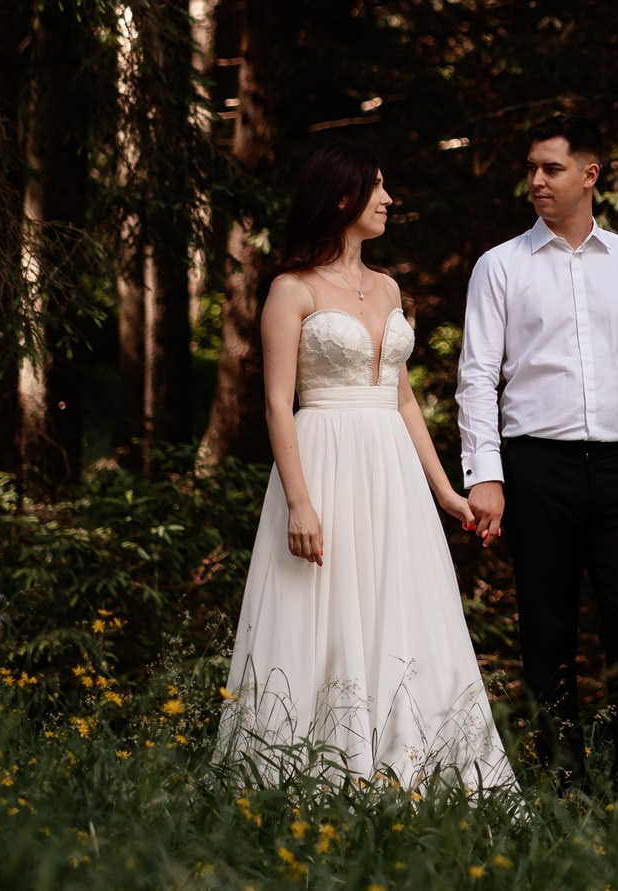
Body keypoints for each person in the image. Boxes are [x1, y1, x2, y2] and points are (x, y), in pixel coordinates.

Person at [216, 141, 516, 791]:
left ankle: (405, 765)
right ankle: (307, 773)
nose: (388, 199)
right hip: (323, 456)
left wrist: (445, 491)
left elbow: (403, 395)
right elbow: (274, 402)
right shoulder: (290, 288)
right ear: (343, 197)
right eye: (378, 187)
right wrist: (299, 500)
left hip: (393, 469)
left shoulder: (387, 286)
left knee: (399, 604)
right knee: (321, 607)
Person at [456, 111, 618, 782]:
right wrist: (485, 474)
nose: (536, 180)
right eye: (531, 168)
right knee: (546, 631)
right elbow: (475, 374)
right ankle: (563, 781)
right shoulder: (499, 265)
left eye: (551, 167)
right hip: (536, 464)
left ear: (590, 174)